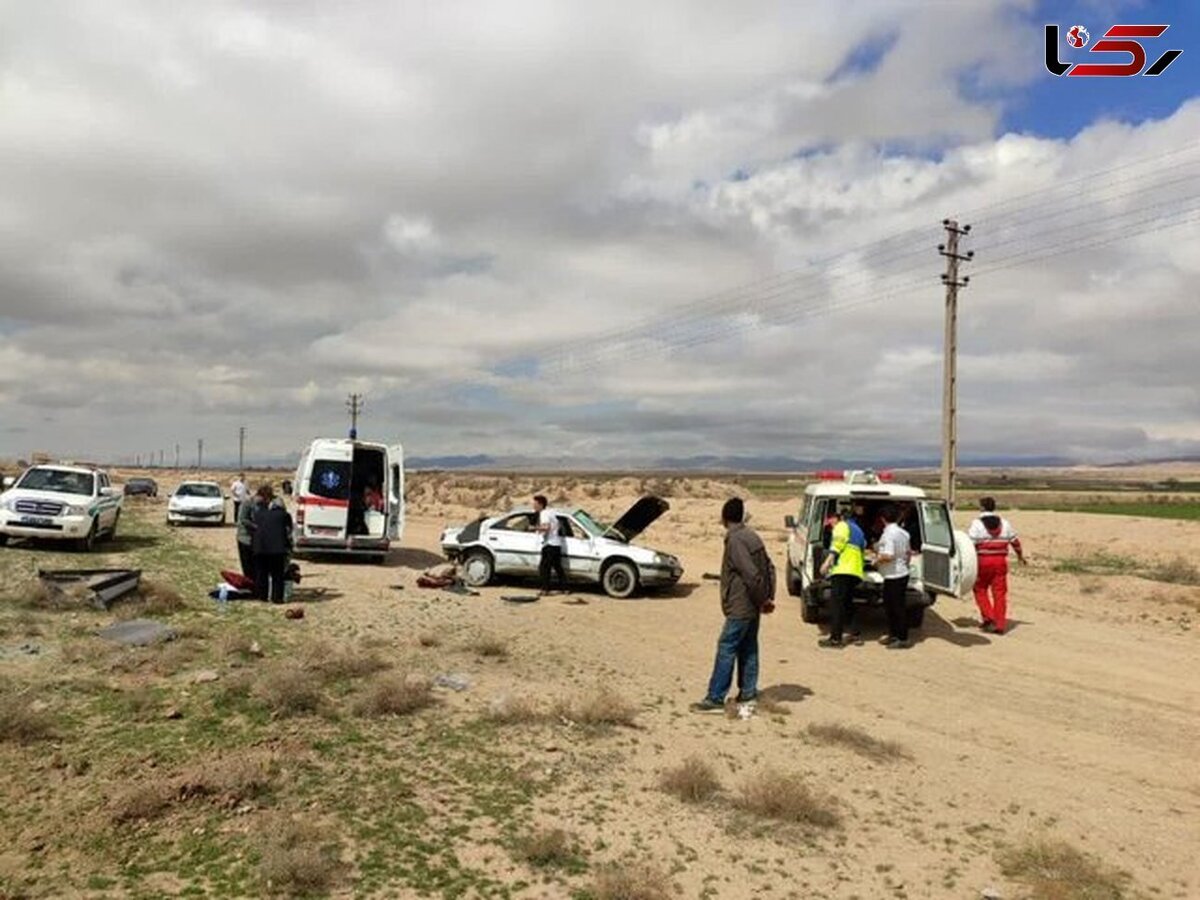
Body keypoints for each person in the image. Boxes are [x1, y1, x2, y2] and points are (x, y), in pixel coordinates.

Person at [692, 498, 775, 712]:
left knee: (727, 646)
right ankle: (748, 694)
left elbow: (751, 574)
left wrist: (762, 599)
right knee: (748, 647)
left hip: (742, 605)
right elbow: (770, 568)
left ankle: (716, 698)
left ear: (724, 517)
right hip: (753, 605)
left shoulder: (736, 540)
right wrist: (766, 598)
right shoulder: (752, 536)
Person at [968, 497, 1026, 634]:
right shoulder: (1005, 523)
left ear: (982, 507)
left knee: (980, 589)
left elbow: (970, 544)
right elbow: (1015, 542)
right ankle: (1000, 624)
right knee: (999, 593)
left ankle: (989, 618)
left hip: (983, 561)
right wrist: (1020, 556)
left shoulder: (976, 524)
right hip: (1000, 561)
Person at [818, 504, 866, 647]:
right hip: (855, 570)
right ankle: (855, 634)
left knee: (836, 605)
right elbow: (863, 546)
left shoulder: (841, 526)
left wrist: (826, 563)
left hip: (843, 569)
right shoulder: (858, 530)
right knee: (848, 603)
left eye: (832, 519)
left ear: (841, 517)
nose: (831, 523)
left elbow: (837, 545)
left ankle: (835, 639)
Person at [873, 505, 913, 649]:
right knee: (892, 606)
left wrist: (876, 560)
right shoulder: (904, 533)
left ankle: (902, 638)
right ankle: (894, 634)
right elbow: (908, 553)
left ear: (882, 519)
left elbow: (888, 555)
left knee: (896, 608)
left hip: (893, 575)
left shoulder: (889, 534)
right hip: (901, 573)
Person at [252, 491, 293, 603]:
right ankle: (277, 598)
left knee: (262, 574)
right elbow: (289, 531)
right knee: (277, 575)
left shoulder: (259, 513)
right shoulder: (284, 515)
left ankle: (262, 596)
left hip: (260, 548)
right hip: (277, 549)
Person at [533, 494, 566, 594]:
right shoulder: (551, 513)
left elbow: (546, 527)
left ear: (540, 504)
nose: (533, 506)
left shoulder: (544, 514)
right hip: (556, 544)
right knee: (557, 567)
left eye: (535, 504)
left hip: (550, 545)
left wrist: (534, 528)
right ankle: (564, 588)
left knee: (544, 568)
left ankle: (545, 589)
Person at [235, 485, 269, 577]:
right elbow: (243, 519)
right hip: (245, 539)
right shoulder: (247, 503)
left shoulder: (264, 505)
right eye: (265, 498)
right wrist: (256, 527)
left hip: (257, 541)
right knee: (247, 567)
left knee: (257, 567)